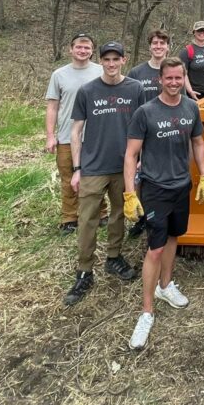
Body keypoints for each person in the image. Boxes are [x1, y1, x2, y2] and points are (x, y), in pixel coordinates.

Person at [123, 57, 204, 350]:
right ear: (160, 79)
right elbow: (130, 155)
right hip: (155, 189)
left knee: (174, 235)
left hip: (181, 186)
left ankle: (165, 286)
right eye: (168, 78)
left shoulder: (191, 107)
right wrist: (129, 193)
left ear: (183, 78)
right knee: (155, 248)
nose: (173, 83)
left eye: (178, 78)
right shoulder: (145, 112)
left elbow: (198, 142)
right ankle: (146, 312)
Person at [63, 42, 147, 305]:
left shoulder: (136, 88)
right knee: (87, 219)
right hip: (92, 166)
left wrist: (141, 160)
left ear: (124, 59)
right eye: (106, 59)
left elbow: (144, 127)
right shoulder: (88, 91)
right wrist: (77, 169)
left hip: (124, 167)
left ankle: (114, 257)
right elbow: (76, 132)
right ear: (101, 61)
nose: (111, 64)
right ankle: (84, 271)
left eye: (116, 59)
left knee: (119, 214)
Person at [45, 32, 106, 233]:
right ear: (71, 49)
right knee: (67, 177)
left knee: (96, 177)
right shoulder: (59, 75)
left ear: (92, 51)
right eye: (78, 47)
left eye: (87, 47)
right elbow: (52, 107)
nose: (82, 50)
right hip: (66, 136)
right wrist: (50, 136)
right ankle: (69, 217)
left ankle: (101, 213)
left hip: (95, 136)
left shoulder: (101, 71)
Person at [127, 29, 171, 98]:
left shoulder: (175, 72)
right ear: (149, 47)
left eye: (162, 43)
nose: (158, 46)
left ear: (168, 47)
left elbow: (182, 101)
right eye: (155, 43)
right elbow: (129, 100)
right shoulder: (135, 73)